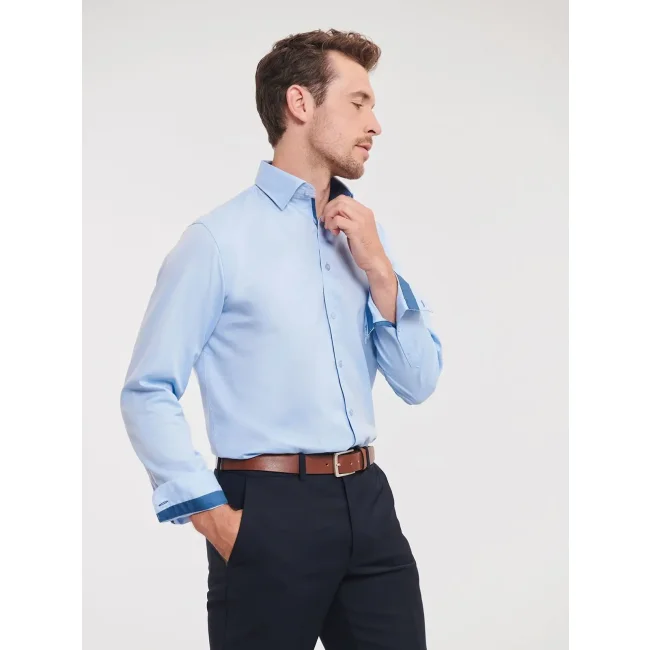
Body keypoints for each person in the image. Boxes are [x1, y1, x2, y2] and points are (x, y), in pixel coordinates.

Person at [120, 28, 443, 650]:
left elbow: (419, 381)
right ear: (300, 103)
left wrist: (381, 272)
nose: (375, 124)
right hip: (266, 511)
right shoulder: (216, 241)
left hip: (369, 504)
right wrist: (217, 520)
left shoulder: (363, 238)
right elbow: (147, 389)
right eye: (358, 102)